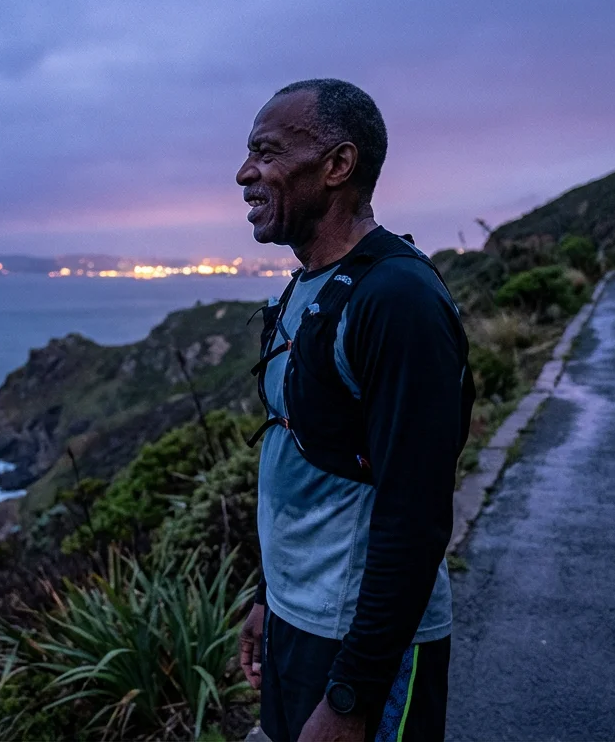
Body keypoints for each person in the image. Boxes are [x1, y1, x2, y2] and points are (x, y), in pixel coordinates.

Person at [236, 79, 474, 742]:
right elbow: (302, 454)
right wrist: (269, 597)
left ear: (338, 165)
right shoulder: (308, 287)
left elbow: (416, 512)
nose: (244, 173)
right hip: (299, 618)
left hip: (361, 644)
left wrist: (353, 694)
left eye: (267, 153)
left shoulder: (396, 300)